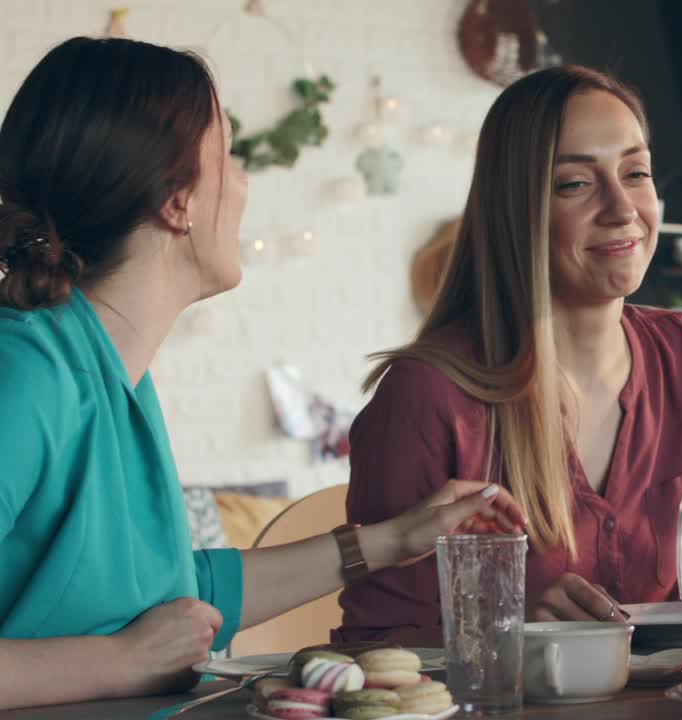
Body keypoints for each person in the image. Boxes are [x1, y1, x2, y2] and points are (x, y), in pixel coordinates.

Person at [0, 37, 525, 711]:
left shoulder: (113, 380)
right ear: (176, 202)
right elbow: (140, 640)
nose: (243, 183)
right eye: (230, 156)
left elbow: (168, 602)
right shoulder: (28, 376)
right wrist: (123, 661)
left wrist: (395, 539)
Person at [335, 66, 682, 645]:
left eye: (636, 172)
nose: (622, 208)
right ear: (515, 208)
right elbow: (375, 647)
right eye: (574, 183)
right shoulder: (427, 394)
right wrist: (509, 629)